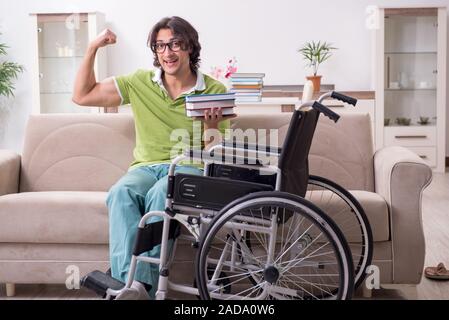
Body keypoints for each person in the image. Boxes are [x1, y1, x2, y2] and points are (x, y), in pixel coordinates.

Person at [73, 16, 232, 299]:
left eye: (175, 44)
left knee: (163, 193)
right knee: (121, 192)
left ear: (190, 48)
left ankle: (141, 286)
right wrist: (93, 47)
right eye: (160, 46)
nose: (167, 52)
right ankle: (128, 287)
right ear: (155, 52)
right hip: (146, 167)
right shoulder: (139, 83)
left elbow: (216, 155)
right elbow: (82, 96)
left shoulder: (214, 90)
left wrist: (211, 126)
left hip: (189, 168)